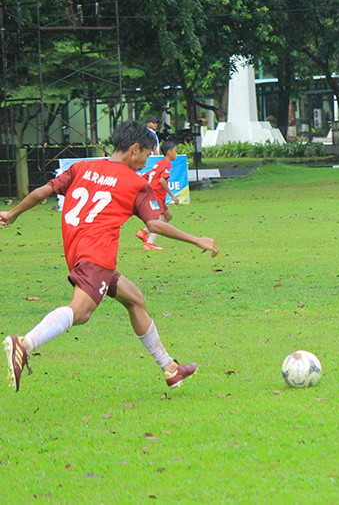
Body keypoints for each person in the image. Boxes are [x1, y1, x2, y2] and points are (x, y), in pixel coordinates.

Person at [2, 120, 219, 393]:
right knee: (80, 312)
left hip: (77, 250)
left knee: (135, 300)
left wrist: (12, 214)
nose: (146, 162)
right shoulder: (136, 183)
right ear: (134, 148)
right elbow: (155, 224)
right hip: (98, 255)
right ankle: (25, 345)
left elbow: (41, 192)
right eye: (146, 155)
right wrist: (195, 239)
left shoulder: (82, 168)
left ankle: (170, 368)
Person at [136, 141, 182, 250]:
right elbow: (162, 180)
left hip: (155, 195)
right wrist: (173, 196)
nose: (176, 153)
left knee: (168, 216)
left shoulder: (160, 163)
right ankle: (149, 244)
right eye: (175, 151)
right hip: (156, 195)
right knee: (160, 219)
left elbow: (148, 175)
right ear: (169, 152)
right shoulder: (166, 164)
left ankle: (143, 232)